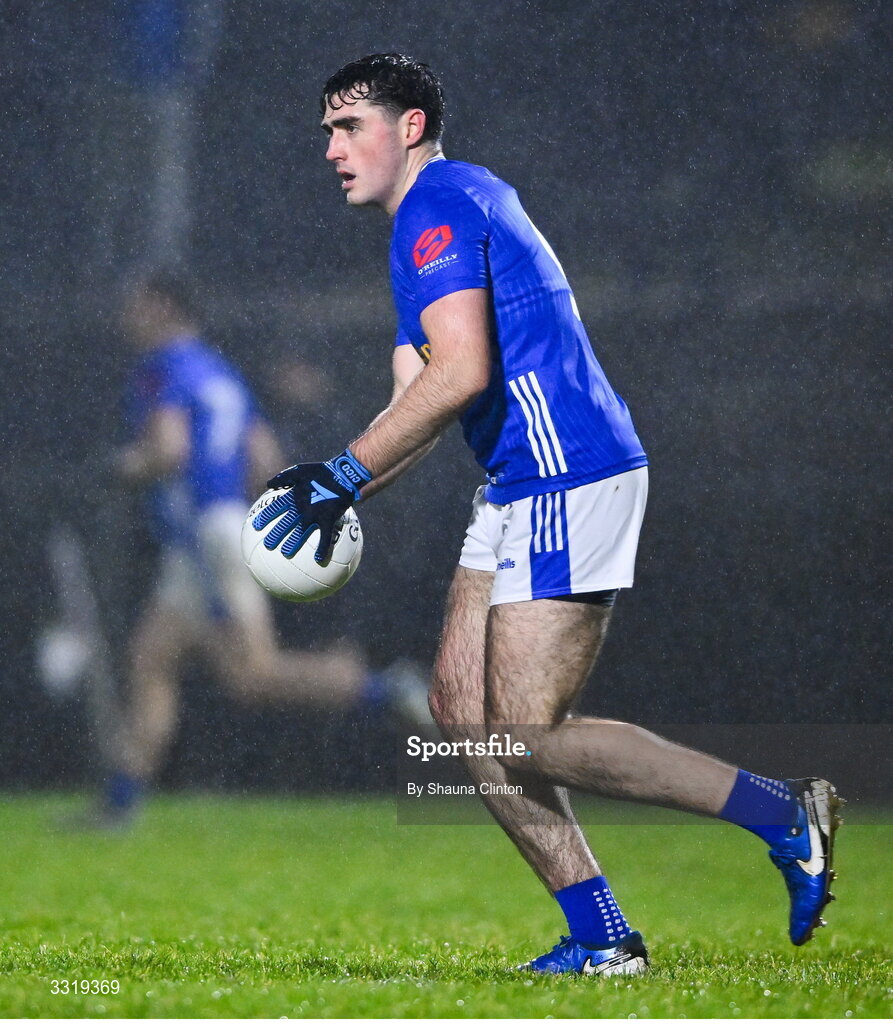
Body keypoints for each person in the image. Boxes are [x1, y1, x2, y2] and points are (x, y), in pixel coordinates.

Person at [252, 54, 842, 975]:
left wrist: (338, 475)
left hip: (565, 473)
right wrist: (338, 490)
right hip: (516, 482)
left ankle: (780, 811)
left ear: (408, 126)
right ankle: (602, 935)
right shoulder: (428, 215)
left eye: (348, 125)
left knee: (529, 735)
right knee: (460, 713)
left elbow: (462, 374)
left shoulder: (439, 205)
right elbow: (416, 396)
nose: (330, 147)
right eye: (326, 129)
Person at [88, 269, 428, 825]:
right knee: (153, 657)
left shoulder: (164, 368)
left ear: (163, 307)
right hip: (207, 535)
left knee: (255, 675)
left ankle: (382, 689)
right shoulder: (221, 374)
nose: (127, 316)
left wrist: (117, 468)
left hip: (205, 535)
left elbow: (168, 451)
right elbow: (265, 458)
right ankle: (120, 806)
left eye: (136, 305)